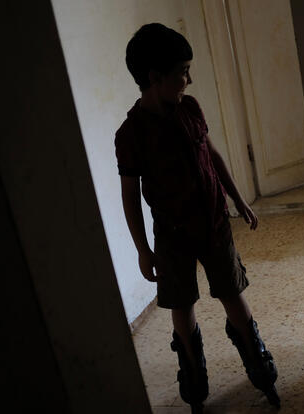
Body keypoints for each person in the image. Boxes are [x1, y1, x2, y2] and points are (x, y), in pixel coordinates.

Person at [115, 23, 279, 413]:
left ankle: (257, 362)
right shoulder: (131, 134)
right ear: (155, 77)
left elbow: (213, 155)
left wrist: (238, 198)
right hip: (171, 237)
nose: (189, 78)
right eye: (182, 71)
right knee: (181, 305)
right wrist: (143, 250)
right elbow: (130, 197)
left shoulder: (190, 109)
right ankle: (193, 374)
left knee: (232, 293)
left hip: (215, 224)